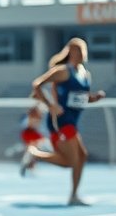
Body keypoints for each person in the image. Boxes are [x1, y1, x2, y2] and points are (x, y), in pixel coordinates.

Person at [26, 37, 105, 206]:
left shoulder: (85, 74)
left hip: (73, 122)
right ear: (69, 52)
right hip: (60, 121)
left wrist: (94, 98)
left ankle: (74, 195)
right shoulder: (63, 71)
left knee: (81, 157)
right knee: (71, 160)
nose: (79, 54)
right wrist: (51, 105)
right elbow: (37, 85)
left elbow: (82, 98)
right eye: (75, 50)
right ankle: (35, 154)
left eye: (82, 50)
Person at [17, 102, 50, 177]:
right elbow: (30, 125)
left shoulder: (37, 116)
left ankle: (28, 166)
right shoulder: (32, 115)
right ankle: (27, 166)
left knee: (32, 152)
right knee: (32, 151)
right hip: (30, 134)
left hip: (32, 134)